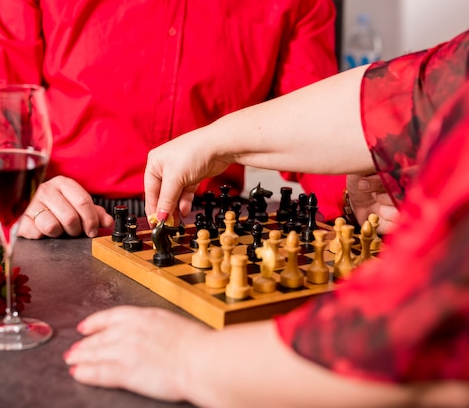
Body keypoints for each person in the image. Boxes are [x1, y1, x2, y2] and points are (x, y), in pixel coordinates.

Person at [63, 29, 469, 407]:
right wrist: (214, 141)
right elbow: (399, 96)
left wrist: (188, 360)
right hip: (84, 216)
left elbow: (397, 342)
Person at [0, 0, 349, 239]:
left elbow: (313, 126)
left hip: (200, 219)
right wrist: (22, 188)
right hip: (55, 211)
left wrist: (352, 197)